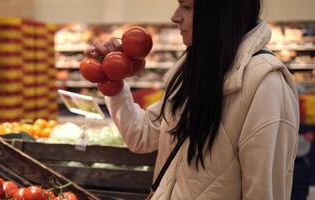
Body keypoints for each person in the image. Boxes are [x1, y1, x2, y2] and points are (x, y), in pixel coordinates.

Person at [85, 0, 299, 199]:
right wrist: (114, 81)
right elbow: (142, 135)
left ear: (219, 11)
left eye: (187, 7)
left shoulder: (266, 85)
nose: (175, 17)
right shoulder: (193, 68)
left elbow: (263, 191)